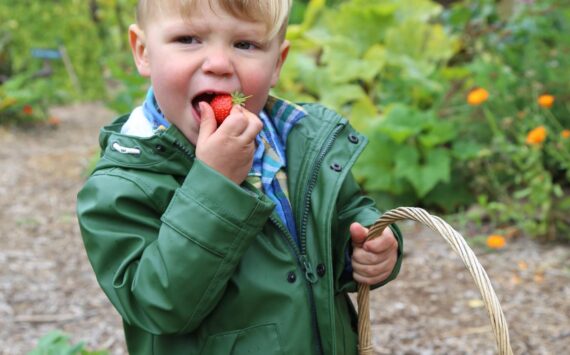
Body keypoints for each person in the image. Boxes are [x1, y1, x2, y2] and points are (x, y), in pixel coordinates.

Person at [76, 0, 404, 354]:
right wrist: (215, 185)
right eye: (188, 39)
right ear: (143, 52)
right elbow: (157, 303)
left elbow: (344, 213)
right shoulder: (121, 186)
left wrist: (370, 245)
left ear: (277, 63)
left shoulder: (301, 141)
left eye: (245, 44)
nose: (218, 64)